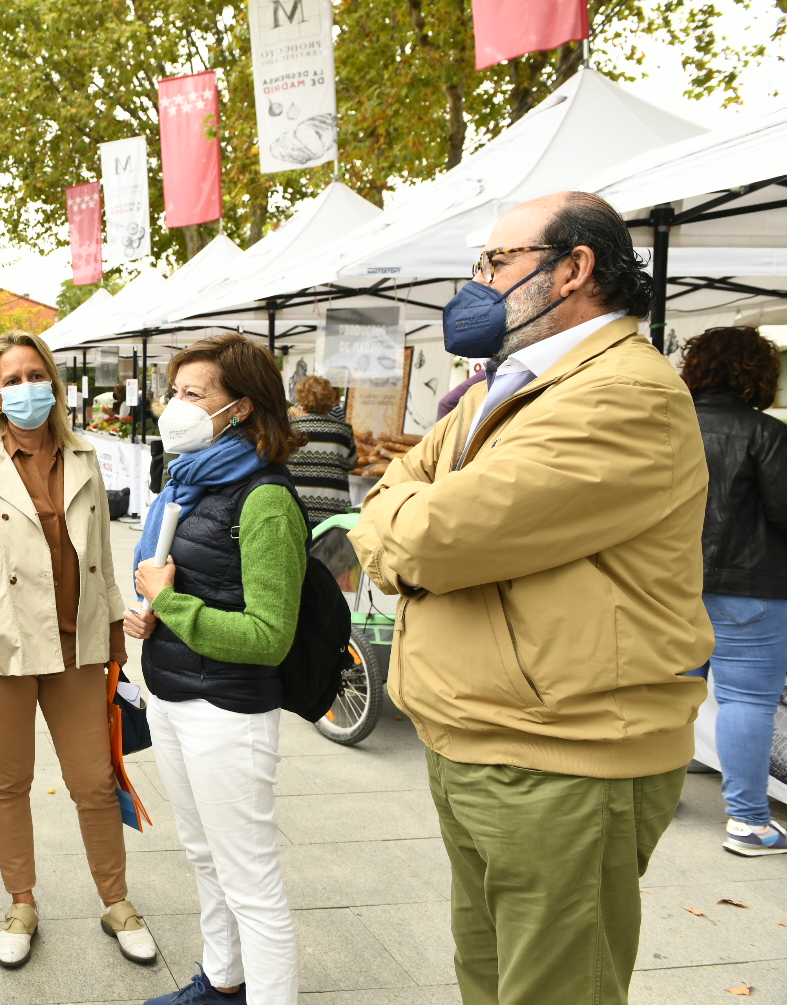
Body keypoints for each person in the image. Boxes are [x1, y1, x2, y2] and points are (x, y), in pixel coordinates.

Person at [349, 192, 712, 1005]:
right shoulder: (501, 386)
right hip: (482, 738)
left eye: (496, 262)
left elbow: (421, 538)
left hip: (563, 756)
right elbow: (398, 486)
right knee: (487, 977)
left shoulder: (625, 392)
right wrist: (400, 512)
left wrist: (395, 521)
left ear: (574, 269)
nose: (476, 284)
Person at [0, 330, 155, 971]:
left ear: (52, 384)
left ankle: (118, 903)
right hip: (1, 649)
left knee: (94, 780)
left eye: (36, 375)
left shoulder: (84, 455)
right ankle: (21, 902)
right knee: (9, 781)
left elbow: (104, 558)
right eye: (13, 378)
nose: (26, 387)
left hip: (78, 648)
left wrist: (113, 634)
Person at [121, 332, 305, 1005]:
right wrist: (151, 611)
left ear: (245, 408)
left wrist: (171, 601)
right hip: (173, 693)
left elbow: (268, 637)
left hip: (227, 711)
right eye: (174, 392)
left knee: (251, 881)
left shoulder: (265, 500)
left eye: (194, 394)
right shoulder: (188, 482)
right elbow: (176, 582)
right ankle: (222, 980)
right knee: (204, 856)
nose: (175, 407)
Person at [680, 326, 787, 855]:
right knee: (747, 701)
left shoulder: (666, 428)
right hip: (754, 589)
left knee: (669, 693)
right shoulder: (768, 434)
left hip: (670, 586)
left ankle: (653, 795)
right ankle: (748, 823)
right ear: (759, 375)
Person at [285, 375, 356, 524]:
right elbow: (352, 463)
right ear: (331, 400)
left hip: (296, 505)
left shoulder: (290, 429)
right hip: (333, 509)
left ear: (301, 397)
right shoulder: (343, 430)